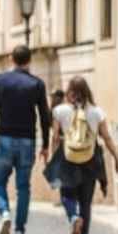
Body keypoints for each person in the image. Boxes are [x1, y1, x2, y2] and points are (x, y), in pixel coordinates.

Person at [0, 45, 51, 234]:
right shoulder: (37, 84)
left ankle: (4, 212)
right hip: (28, 141)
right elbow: (45, 117)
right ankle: (19, 230)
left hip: (5, 139)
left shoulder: (0, 81)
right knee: (23, 187)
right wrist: (45, 144)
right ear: (29, 60)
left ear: (11, 59)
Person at [49, 76, 118, 234]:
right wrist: (117, 159)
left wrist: (53, 161)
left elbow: (55, 138)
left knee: (66, 195)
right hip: (90, 160)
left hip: (68, 158)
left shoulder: (60, 111)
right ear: (88, 91)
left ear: (69, 91)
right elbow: (107, 138)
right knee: (85, 200)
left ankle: (74, 217)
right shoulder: (97, 112)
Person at [43, 88, 80, 224]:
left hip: (65, 149)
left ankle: (73, 214)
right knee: (74, 183)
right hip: (80, 149)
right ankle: (75, 210)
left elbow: (55, 135)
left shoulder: (57, 111)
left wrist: (53, 154)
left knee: (64, 185)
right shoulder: (79, 110)